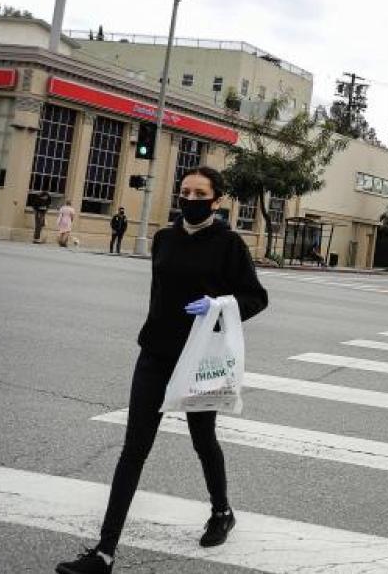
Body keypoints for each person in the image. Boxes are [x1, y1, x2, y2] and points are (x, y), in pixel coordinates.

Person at [56, 166, 268, 574]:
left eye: (200, 193)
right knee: (134, 449)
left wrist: (220, 305)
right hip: (155, 354)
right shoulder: (164, 238)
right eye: (185, 191)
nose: (190, 198)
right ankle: (104, 553)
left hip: (198, 361)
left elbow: (256, 297)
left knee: (203, 440)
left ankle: (221, 512)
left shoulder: (229, 244)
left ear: (217, 199)